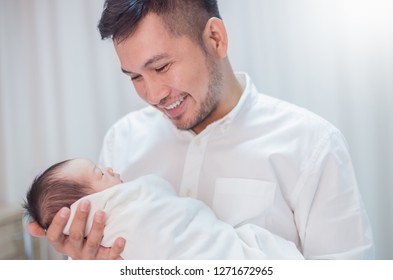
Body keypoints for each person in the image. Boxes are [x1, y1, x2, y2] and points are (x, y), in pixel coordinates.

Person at [28, 0, 374, 259]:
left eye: (161, 67)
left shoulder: (311, 144)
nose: (152, 95)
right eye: (134, 77)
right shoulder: (123, 140)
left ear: (215, 38)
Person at [24, 158, 303, 259]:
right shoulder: (115, 221)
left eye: (161, 66)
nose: (110, 168)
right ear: (87, 207)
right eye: (100, 173)